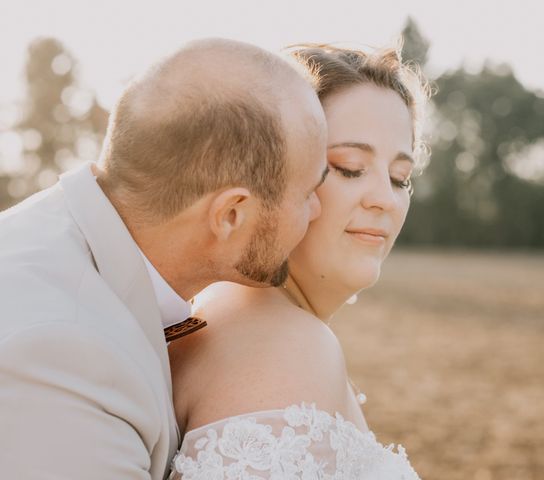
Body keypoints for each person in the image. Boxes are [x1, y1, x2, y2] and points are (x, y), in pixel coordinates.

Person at [0, 38, 328, 479]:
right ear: (230, 214)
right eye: (307, 193)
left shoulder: (52, 235)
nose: (317, 211)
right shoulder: (63, 356)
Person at [168, 44, 427, 479]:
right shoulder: (283, 346)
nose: (386, 198)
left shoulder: (241, 319)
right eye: (348, 167)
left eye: (400, 177)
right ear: (269, 176)